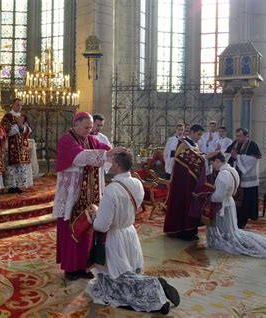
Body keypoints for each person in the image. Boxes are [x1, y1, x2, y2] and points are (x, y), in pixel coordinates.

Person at [86, 151, 180, 314]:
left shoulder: (111, 190)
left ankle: (155, 288)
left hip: (114, 237)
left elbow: (102, 225)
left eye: (112, 162)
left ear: (117, 165)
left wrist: (93, 218)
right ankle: (153, 287)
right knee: (119, 275)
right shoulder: (137, 183)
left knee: (119, 278)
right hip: (129, 232)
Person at [53, 112, 124, 281]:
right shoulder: (67, 139)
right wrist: (106, 154)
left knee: (88, 230)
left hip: (91, 194)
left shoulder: (90, 139)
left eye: (91, 128)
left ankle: (84, 266)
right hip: (73, 195)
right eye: (86, 127)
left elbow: (103, 149)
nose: (89, 131)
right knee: (72, 228)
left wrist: (116, 153)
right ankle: (70, 268)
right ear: (76, 124)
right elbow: (80, 157)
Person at [207, 152, 266, 258]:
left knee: (229, 233)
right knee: (233, 230)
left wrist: (208, 196)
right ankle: (261, 244)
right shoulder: (232, 170)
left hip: (223, 205)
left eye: (212, 163)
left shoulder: (223, 174)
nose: (212, 166)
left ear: (217, 161)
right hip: (230, 202)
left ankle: (256, 247)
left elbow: (218, 196)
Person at [163, 124, 215, 240]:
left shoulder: (194, 145)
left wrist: (205, 158)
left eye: (201, 135)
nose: (200, 137)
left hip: (192, 182)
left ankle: (191, 229)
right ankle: (182, 231)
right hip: (182, 182)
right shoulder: (183, 144)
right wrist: (204, 158)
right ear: (191, 132)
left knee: (192, 204)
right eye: (198, 134)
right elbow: (183, 160)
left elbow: (198, 158)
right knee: (183, 204)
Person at [225, 128, 262, 229]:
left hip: (247, 179)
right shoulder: (234, 144)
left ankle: (242, 221)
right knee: (235, 200)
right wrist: (231, 156)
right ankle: (234, 219)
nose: (237, 138)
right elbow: (227, 155)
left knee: (245, 201)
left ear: (246, 136)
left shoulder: (252, 145)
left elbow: (253, 159)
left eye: (240, 136)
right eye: (236, 136)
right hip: (235, 178)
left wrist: (237, 157)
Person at [1, 98, 33, 194]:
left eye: (21, 105)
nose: (19, 107)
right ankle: (11, 187)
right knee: (11, 167)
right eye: (17, 105)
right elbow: (4, 130)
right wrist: (17, 126)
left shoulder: (23, 117)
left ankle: (18, 185)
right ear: (12, 105)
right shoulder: (8, 117)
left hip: (21, 146)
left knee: (20, 166)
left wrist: (21, 127)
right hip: (11, 146)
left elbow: (29, 130)